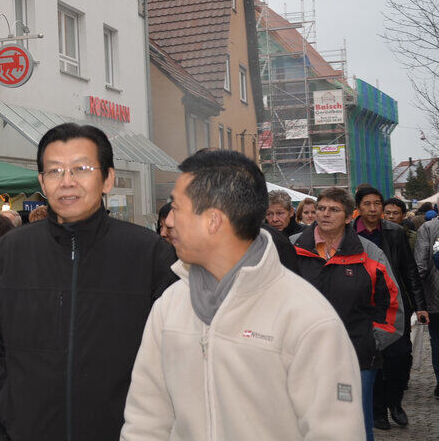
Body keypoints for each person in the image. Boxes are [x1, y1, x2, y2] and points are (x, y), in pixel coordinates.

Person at [121, 150, 363, 440]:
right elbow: (146, 420)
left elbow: (335, 432)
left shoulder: (307, 318)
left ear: (213, 220)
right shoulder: (170, 305)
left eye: (176, 207)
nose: (169, 221)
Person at [0, 123, 177, 441]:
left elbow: (176, 349)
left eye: (81, 168)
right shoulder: (10, 252)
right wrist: (6, 406)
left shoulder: (150, 255)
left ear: (108, 179)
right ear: (41, 182)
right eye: (54, 171)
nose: (67, 182)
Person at [291, 187, 403, 441]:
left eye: (334, 209)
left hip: (357, 357)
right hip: (303, 355)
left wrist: (371, 342)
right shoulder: (292, 248)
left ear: (349, 216)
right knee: (306, 427)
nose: (325, 214)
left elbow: (391, 304)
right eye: (321, 208)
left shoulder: (369, 253)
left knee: (356, 428)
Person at [353, 186, 428, 430]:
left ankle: (395, 402)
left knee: (399, 356)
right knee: (373, 359)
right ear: (359, 207)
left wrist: (420, 306)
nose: (373, 209)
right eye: (367, 204)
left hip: (394, 304)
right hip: (364, 306)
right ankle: (377, 411)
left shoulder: (395, 232)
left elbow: (409, 271)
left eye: (377, 204)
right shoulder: (350, 232)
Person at [414, 208, 439, 398]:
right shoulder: (428, 228)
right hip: (434, 297)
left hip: (434, 296)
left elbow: (420, 266)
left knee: (437, 341)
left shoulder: (428, 228)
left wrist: (417, 297)